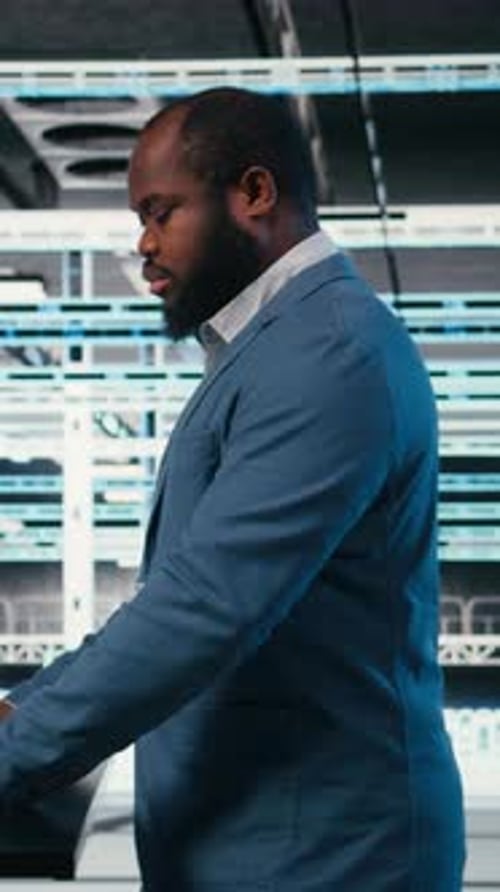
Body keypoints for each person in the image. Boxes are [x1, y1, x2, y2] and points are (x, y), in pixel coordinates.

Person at [0, 88, 465, 891]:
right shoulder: (275, 350)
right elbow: (181, 593)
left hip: (327, 863)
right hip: (263, 851)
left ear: (253, 194)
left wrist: (15, 746)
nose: (143, 246)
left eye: (160, 213)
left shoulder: (331, 355)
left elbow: (206, 608)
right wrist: (24, 707)